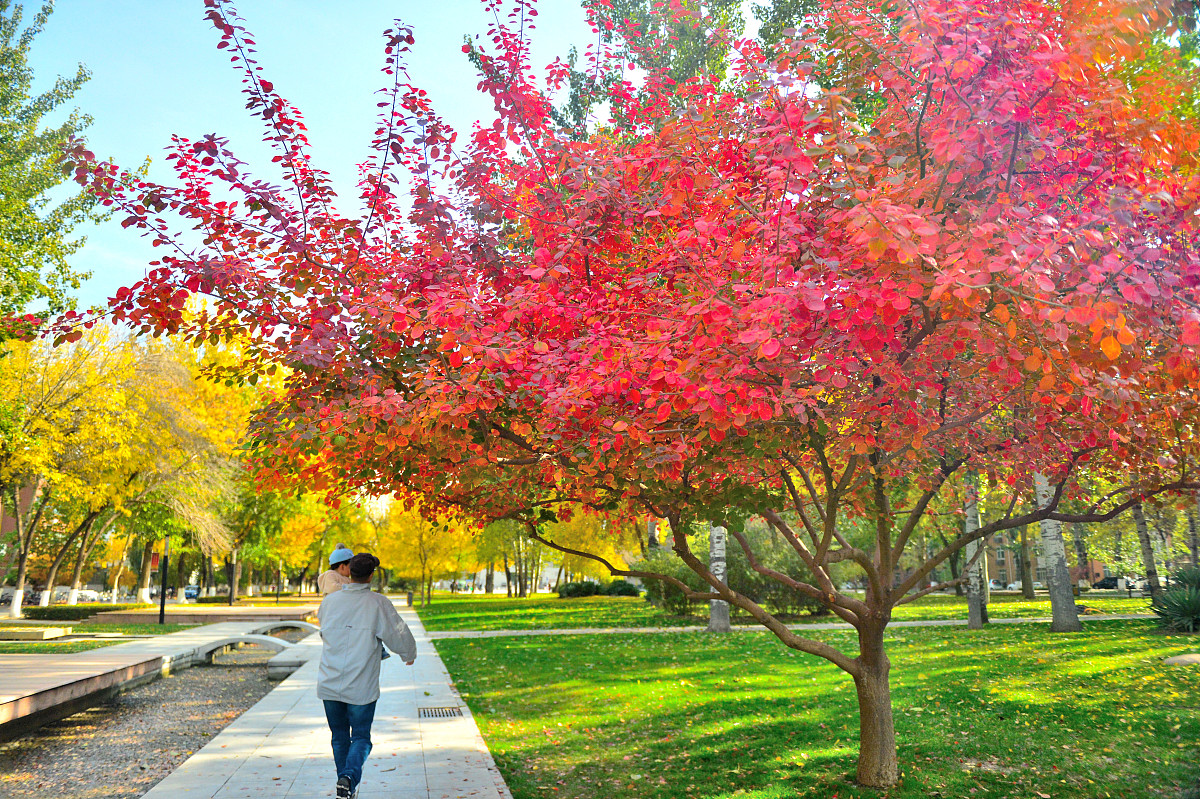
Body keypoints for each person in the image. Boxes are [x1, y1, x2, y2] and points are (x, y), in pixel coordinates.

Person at [317, 553, 416, 799]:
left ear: (349, 572)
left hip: (329, 681)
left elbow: (324, 631)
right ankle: (348, 778)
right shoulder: (377, 603)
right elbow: (398, 633)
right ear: (371, 575)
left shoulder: (329, 602)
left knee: (339, 737)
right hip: (360, 686)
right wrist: (408, 654)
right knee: (360, 737)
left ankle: (345, 783)